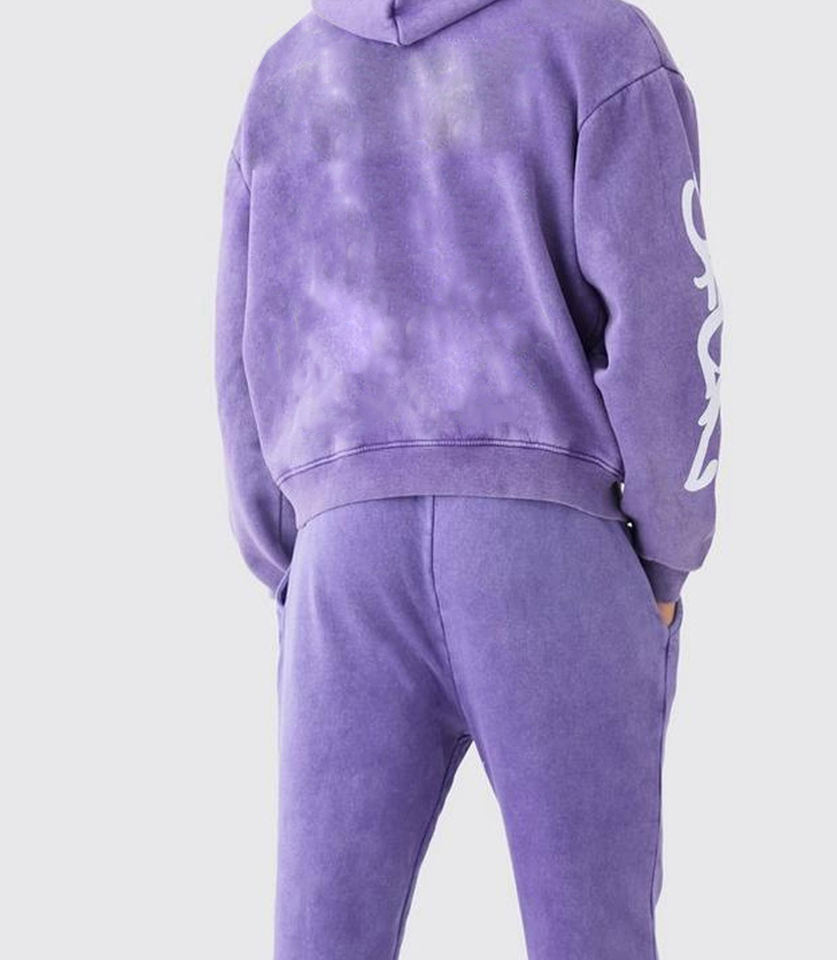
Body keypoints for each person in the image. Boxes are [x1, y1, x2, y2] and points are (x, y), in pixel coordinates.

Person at [215, 0, 722, 957]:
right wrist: (667, 554)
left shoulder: (287, 79)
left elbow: (245, 355)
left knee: (324, 939)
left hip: (343, 558)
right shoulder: (601, 46)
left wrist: (295, 561)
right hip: (550, 551)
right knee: (593, 937)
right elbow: (666, 330)